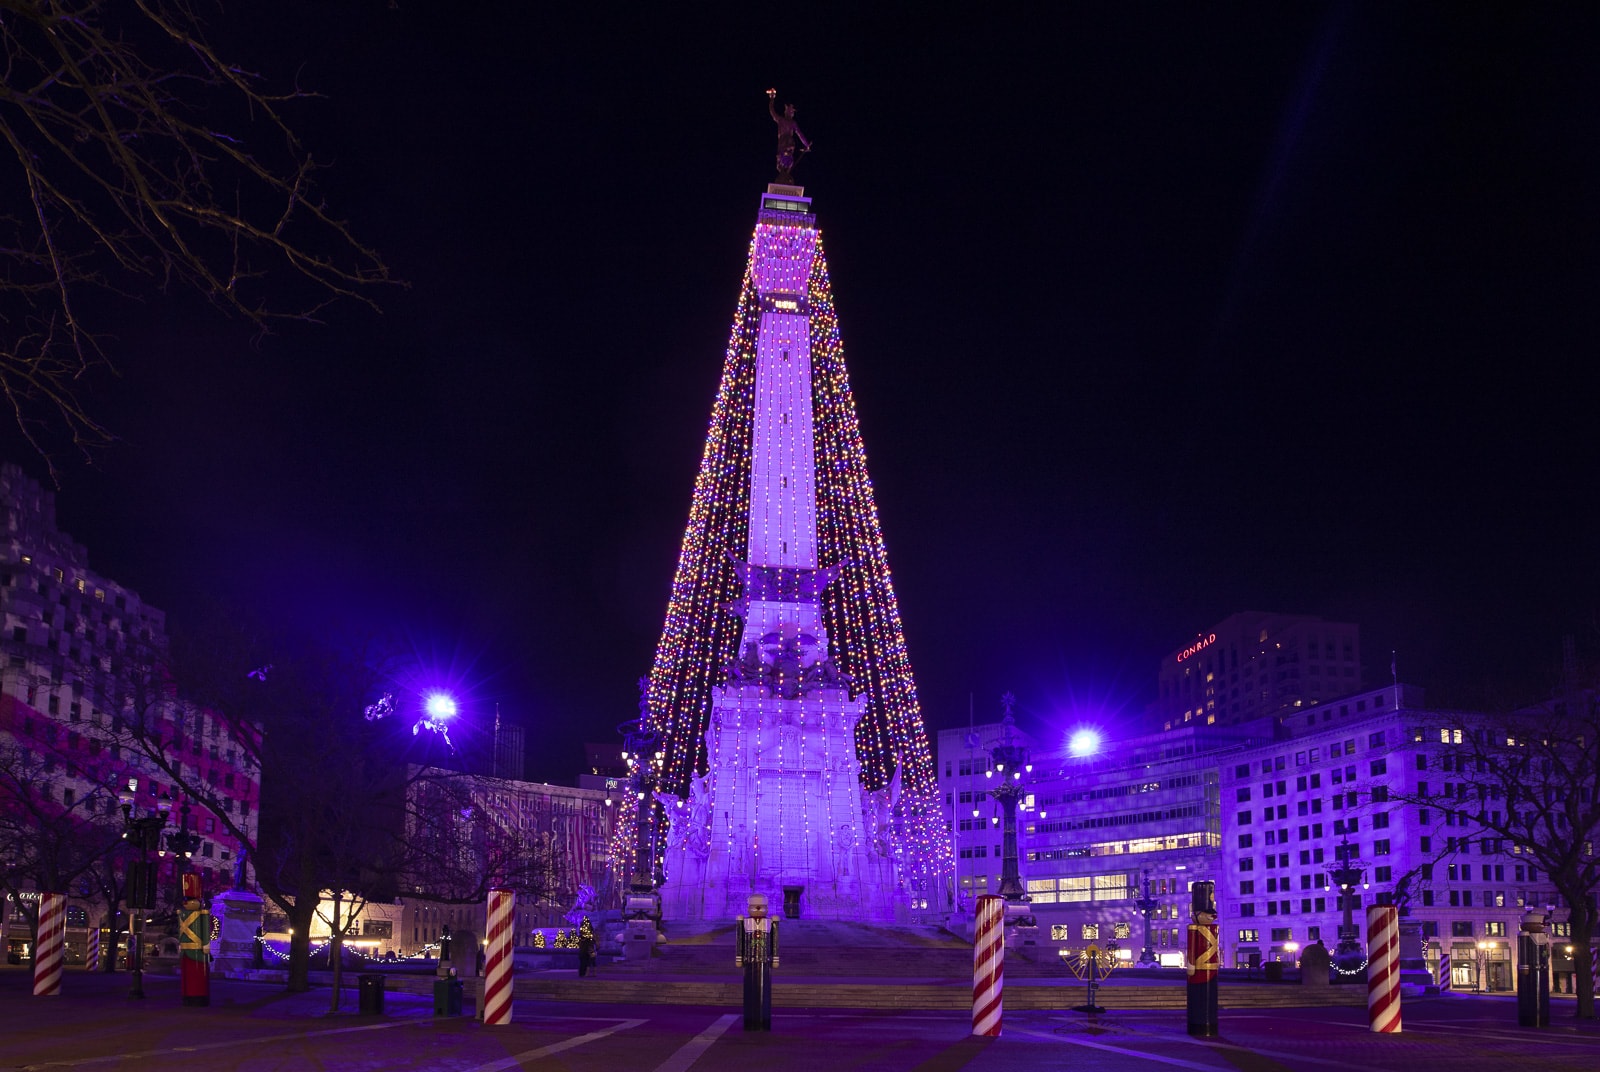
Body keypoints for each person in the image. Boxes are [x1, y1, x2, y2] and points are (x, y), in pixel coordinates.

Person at [735, 893, 779, 1030]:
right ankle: (750, 1022)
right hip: (749, 960)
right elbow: (740, 940)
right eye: (754, 907)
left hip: (764, 961)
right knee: (749, 993)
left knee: (763, 994)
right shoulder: (744, 922)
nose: (758, 909)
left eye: (761, 907)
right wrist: (739, 957)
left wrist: (775, 958)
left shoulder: (771, 922)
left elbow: (775, 941)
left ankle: (762, 1023)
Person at [766, 89, 811, 183]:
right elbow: (800, 134)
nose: (792, 114)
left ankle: (784, 174)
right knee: (785, 159)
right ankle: (785, 174)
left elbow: (772, 111)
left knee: (784, 159)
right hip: (787, 142)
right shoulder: (785, 121)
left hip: (785, 142)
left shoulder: (785, 121)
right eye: (791, 112)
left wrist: (772, 99)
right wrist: (806, 144)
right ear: (787, 112)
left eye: (792, 113)